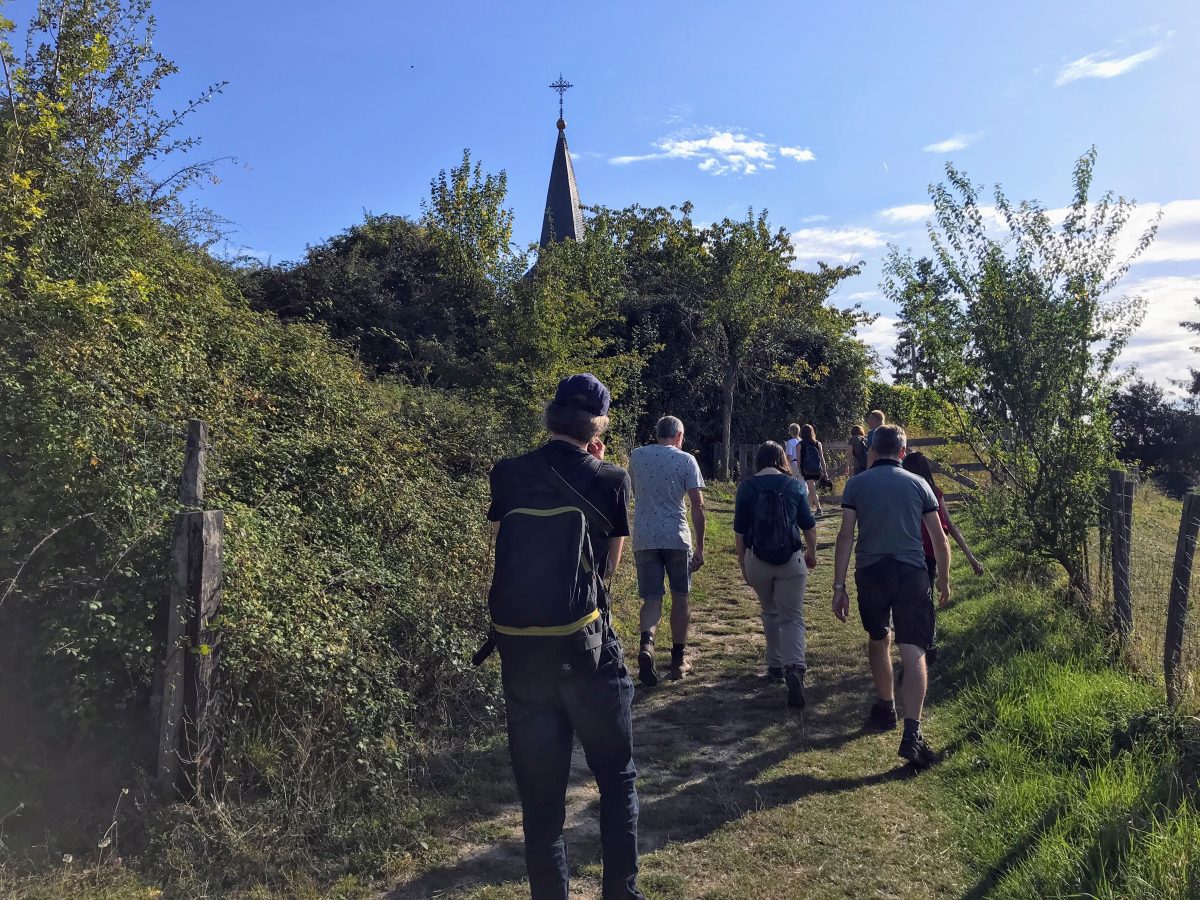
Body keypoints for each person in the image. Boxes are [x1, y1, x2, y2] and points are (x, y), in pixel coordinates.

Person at [486, 373, 645, 899]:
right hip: (588, 650)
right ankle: (620, 893)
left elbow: (501, 550)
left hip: (523, 652)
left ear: (552, 415)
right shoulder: (612, 478)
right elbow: (609, 572)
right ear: (596, 424)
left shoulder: (507, 474)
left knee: (541, 800)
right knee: (616, 778)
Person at [831, 424, 950, 768]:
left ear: (871, 450)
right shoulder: (920, 484)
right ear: (902, 451)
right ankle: (913, 731)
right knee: (914, 651)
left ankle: (886, 706)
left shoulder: (856, 484)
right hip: (912, 573)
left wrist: (838, 587)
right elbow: (939, 539)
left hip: (871, 573)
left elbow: (845, 537)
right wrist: (942, 580)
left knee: (878, 637)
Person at [733, 441, 818, 707]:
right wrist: (812, 552)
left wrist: (743, 563)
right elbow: (808, 525)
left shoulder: (746, 487)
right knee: (792, 617)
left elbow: (739, 531)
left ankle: (775, 667)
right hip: (790, 559)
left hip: (758, 558)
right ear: (782, 458)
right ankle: (795, 667)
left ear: (759, 460)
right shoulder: (793, 486)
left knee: (770, 612)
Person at [629, 416, 706, 686]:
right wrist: (700, 545)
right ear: (680, 435)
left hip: (645, 536)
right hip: (676, 536)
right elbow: (697, 505)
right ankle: (677, 660)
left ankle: (647, 645)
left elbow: (636, 491)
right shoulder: (686, 460)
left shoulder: (637, 456)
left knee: (651, 599)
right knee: (680, 597)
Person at [797, 424, 829, 517]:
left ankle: (819, 508)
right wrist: (825, 471)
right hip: (817, 470)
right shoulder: (817, 443)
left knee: (812, 489)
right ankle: (805, 509)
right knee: (812, 489)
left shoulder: (800, 444)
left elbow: (798, 460)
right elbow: (822, 458)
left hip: (806, 470)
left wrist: (799, 471)